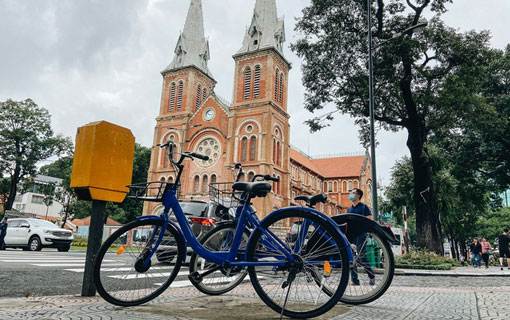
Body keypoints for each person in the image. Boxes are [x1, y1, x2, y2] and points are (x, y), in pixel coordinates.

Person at [347, 188, 375, 286]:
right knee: (351, 257)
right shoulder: (349, 209)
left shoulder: (363, 207)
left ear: (358, 196)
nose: (351, 194)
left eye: (353, 193)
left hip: (361, 234)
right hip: (351, 236)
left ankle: (371, 276)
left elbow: (369, 219)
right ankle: (354, 280)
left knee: (361, 257)